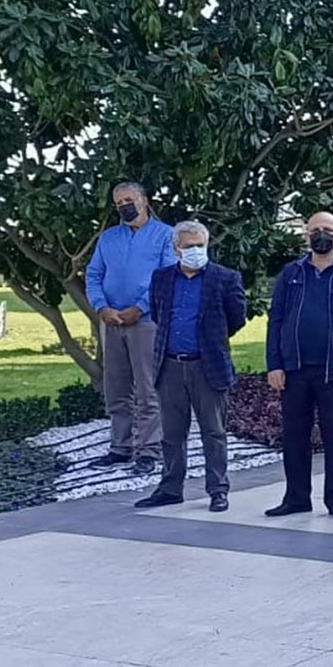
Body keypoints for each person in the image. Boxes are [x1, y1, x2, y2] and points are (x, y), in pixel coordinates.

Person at [265, 212, 333, 522]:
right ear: (306, 235)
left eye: (328, 230)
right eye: (315, 230)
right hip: (295, 369)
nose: (321, 235)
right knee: (294, 437)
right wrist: (274, 364)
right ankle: (296, 497)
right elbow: (276, 320)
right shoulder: (291, 274)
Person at [134, 221, 247, 513]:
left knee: (214, 432)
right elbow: (159, 314)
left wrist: (211, 340)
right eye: (188, 246)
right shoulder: (161, 278)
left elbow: (236, 318)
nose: (195, 251)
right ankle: (170, 488)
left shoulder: (225, 278)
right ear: (176, 249)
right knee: (171, 434)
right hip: (170, 365)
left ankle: (218, 490)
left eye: (200, 246)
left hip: (207, 366)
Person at [85, 181, 175, 473]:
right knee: (117, 387)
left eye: (129, 199)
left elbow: (167, 277)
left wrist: (140, 307)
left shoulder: (165, 235)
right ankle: (120, 447)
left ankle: (150, 450)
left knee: (149, 388)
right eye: (119, 202)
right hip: (111, 322)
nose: (124, 205)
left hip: (146, 321)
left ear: (144, 200)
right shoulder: (108, 238)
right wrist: (102, 307)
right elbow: (94, 274)